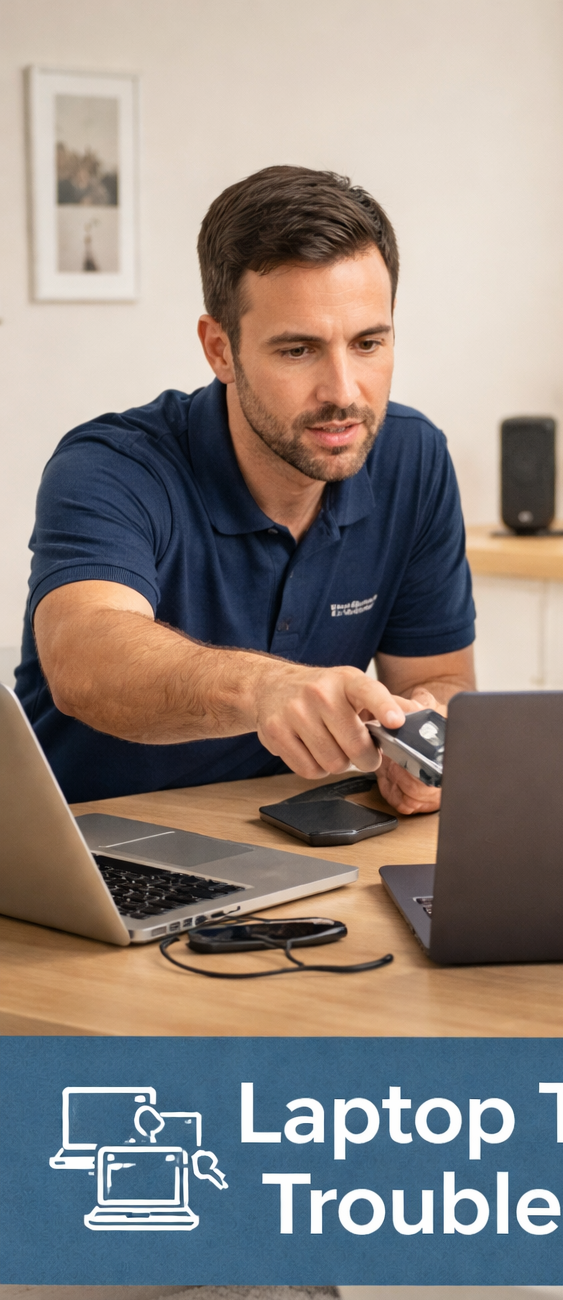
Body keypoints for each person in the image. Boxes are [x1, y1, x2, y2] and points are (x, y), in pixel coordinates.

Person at [17, 166, 475, 814]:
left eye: (369, 342)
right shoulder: (111, 466)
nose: (344, 391)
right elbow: (82, 658)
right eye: (298, 351)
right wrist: (265, 690)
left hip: (281, 845)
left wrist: (427, 742)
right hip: (88, 848)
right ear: (220, 349)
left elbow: (439, 677)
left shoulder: (412, 457)